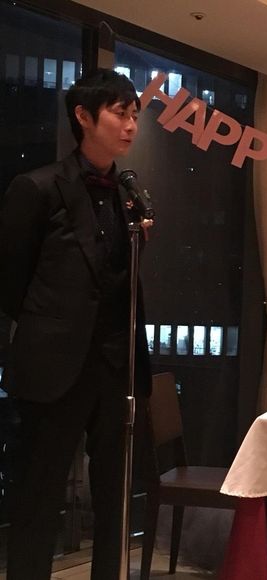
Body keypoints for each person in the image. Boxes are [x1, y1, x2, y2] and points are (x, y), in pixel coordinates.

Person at [0, 69, 153, 580]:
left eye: (134, 115)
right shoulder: (37, 187)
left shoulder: (129, 195)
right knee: (38, 499)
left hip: (115, 366)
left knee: (113, 499)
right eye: (119, 113)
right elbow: (11, 283)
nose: (130, 125)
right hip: (53, 369)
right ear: (83, 117)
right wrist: (52, 328)